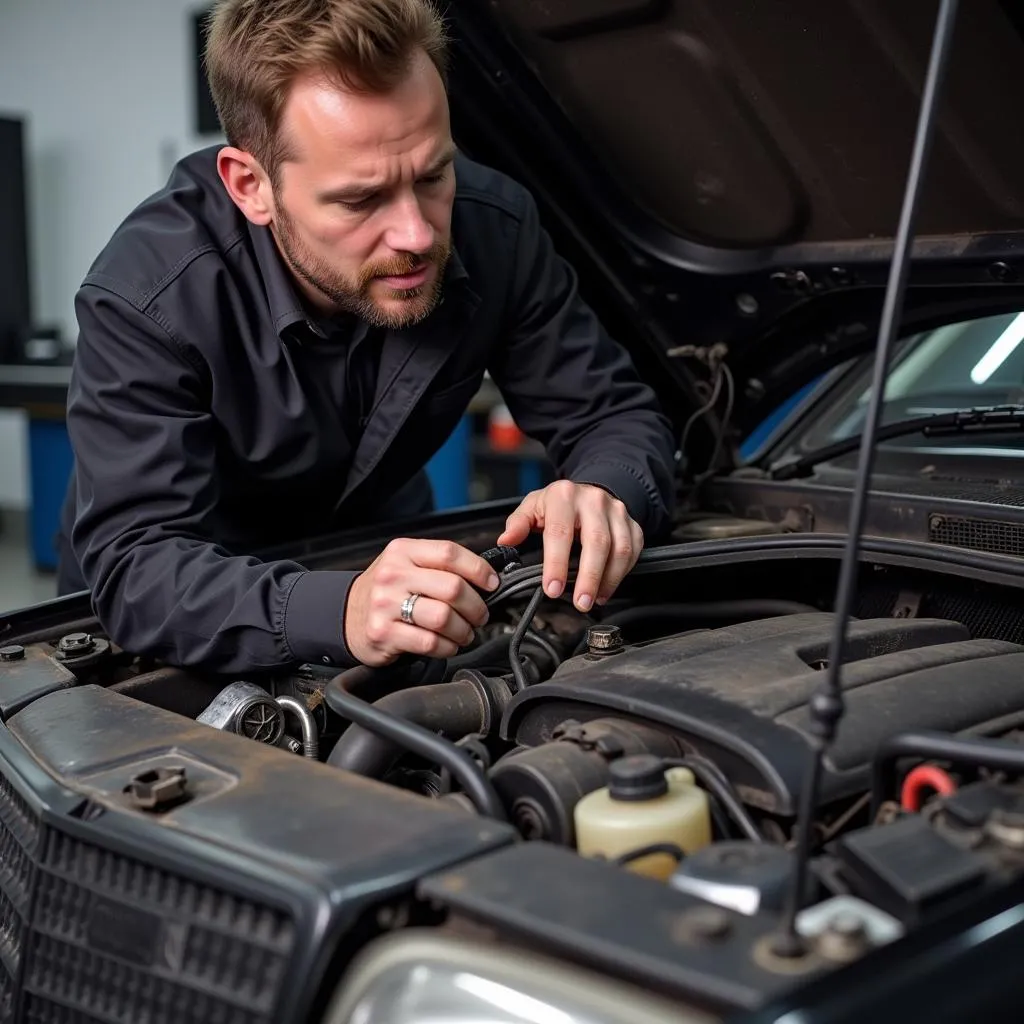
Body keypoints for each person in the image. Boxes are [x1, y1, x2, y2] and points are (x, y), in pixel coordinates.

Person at [55, 0, 676, 675]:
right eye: (361, 199)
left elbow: (612, 415)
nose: (416, 235)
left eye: (433, 175)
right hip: (189, 620)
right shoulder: (147, 297)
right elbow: (138, 567)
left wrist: (604, 491)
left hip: (389, 574)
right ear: (250, 186)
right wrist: (338, 609)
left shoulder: (497, 229)